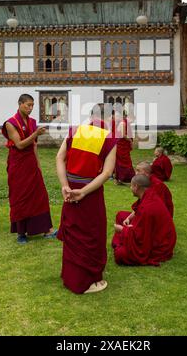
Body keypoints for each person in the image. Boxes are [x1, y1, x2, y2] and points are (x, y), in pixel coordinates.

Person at [56, 104, 117, 294]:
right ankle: (87, 281)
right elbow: (107, 173)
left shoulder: (75, 132)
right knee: (92, 233)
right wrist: (84, 192)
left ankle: (70, 276)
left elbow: (59, 158)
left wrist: (65, 185)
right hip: (90, 192)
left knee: (75, 234)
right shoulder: (108, 138)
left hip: (70, 188)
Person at [2, 94, 56, 244]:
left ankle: (47, 229)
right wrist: (35, 134)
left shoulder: (32, 122)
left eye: (32, 105)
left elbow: (34, 145)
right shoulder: (10, 123)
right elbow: (19, 145)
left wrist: (38, 165)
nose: (31, 108)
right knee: (20, 196)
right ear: (20, 104)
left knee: (40, 195)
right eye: (28, 105)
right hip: (18, 164)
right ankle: (21, 233)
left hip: (30, 162)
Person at [112, 175, 176, 266]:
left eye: (131, 185)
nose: (130, 188)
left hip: (159, 245)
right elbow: (139, 215)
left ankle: (123, 243)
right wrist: (129, 219)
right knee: (121, 215)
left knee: (120, 254)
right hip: (152, 231)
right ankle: (123, 242)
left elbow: (141, 236)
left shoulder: (147, 208)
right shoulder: (149, 194)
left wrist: (122, 230)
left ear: (136, 187)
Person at [114, 112, 135, 185]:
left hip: (122, 145)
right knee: (123, 162)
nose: (116, 117)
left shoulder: (123, 122)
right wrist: (130, 141)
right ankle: (120, 179)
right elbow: (123, 135)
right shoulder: (122, 123)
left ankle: (119, 180)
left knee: (122, 162)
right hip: (121, 145)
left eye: (117, 116)